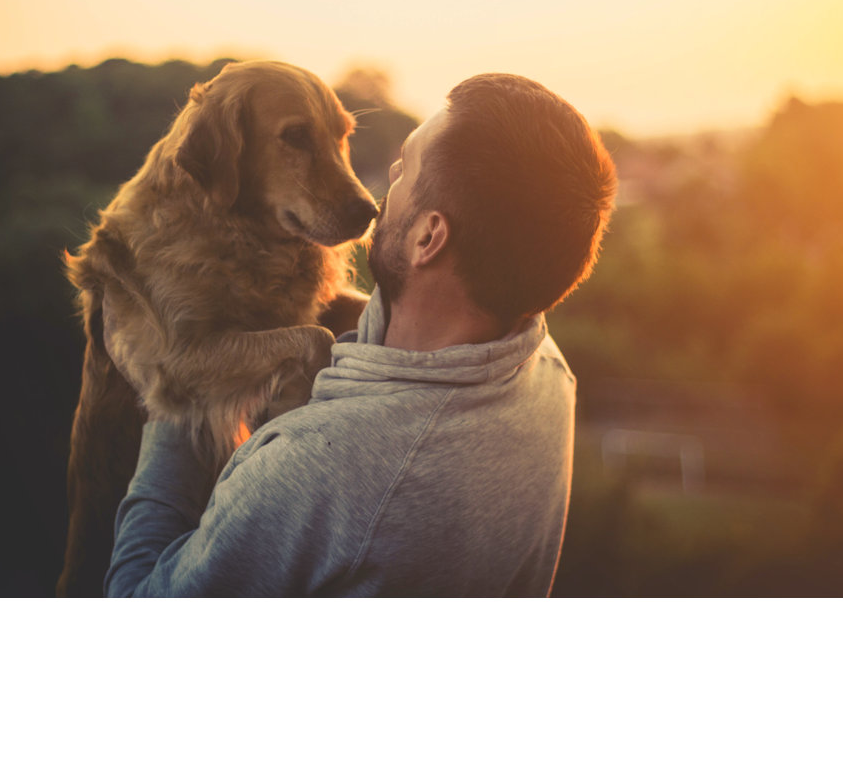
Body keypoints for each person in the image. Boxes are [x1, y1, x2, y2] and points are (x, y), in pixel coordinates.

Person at [104, 73, 617, 597]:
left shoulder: (319, 470)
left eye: (405, 169)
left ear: (428, 237)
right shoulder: (547, 369)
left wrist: (178, 371)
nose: (379, 183)